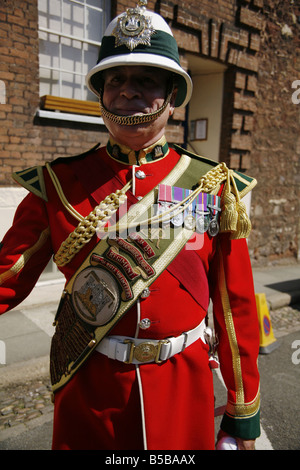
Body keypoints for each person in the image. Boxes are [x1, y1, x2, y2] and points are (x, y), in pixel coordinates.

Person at [0, 1, 260, 450]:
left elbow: (233, 307)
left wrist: (243, 414)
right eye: (115, 80)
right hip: (90, 391)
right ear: (100, 93)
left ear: (173, 96)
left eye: (146, 80)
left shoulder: (211, 185)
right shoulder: (61, 182)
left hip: (183, 387)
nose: (127, 91)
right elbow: (6, 277)